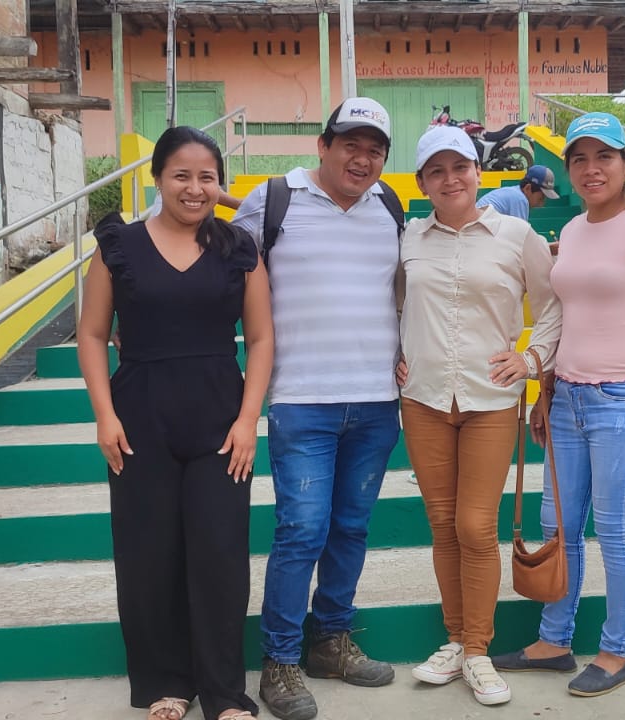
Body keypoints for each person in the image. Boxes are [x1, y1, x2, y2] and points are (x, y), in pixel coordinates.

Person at [491, 112, 625, 698]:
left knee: (616, 533)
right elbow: (566, 317)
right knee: (559, 527)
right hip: (567, 400)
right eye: (579, 159)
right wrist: (548, 389)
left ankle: (615, 652)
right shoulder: (575, 229)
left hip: (623, 403)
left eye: (604, 156)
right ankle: (554, 642)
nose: (591, 169)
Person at [76, 126, 272, 720]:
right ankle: (166, 684)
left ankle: (224, 693)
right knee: (148, 554)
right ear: (158, 178)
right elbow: (91, 333)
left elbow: (261, 338)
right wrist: (104, 416)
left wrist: (248, 420)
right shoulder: (119, 245)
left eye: (207, 177)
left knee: (219, 557)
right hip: (140, 419)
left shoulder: (238, 247)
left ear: (220, 183)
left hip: (220, 421)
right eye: (181, 175)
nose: (195, 188)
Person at [230, 97, 403, 720]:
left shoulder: (389, 206)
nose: (362, 159)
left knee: (351, 527)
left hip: (377, 403)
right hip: (301, 400)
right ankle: (279, 659)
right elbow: (218, 270)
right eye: (350, 145)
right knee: (302, 530)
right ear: (323, 146)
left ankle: (331, 640)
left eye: (375, 150)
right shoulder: (273, 200)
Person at [395, 126, 561, 706]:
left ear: (478, 172)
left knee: (474, 526)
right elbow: (395, 303)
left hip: (490, 398)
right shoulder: (409, 238)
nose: (450, 180)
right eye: (436, 171)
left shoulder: (516, 235)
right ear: (422, 183)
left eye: (459, 168)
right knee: (442, 524)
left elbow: (551, 307)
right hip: (423, 398)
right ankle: (454, 641)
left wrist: (531, 359)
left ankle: (477, 650)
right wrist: (397, 351)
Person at [475, 165, 561, 221]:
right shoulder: (520, 199)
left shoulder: (514, 193)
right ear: (528, 188)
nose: (542, 204)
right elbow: (521, 237)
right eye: (541, 198)